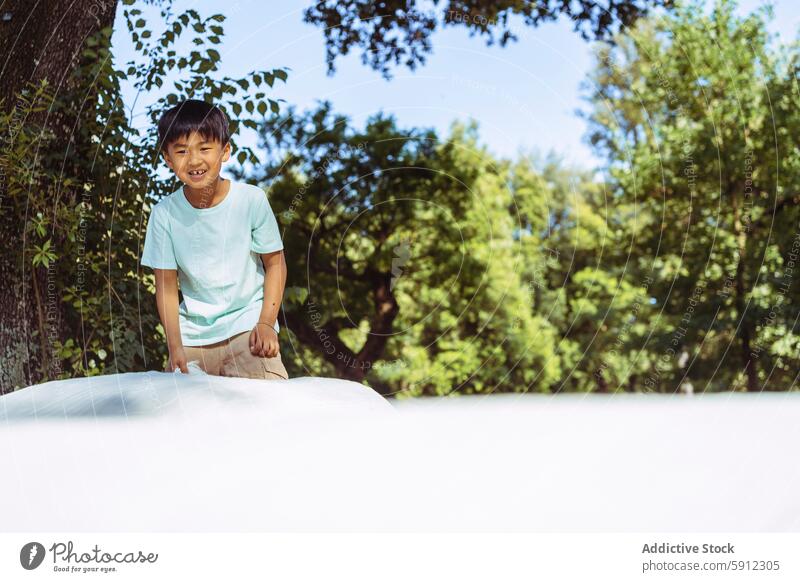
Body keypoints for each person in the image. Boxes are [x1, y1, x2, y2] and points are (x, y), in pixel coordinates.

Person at [141, 99, 289, 380]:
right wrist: (175, 348)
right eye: (182, 151)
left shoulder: (251, 200)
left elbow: (276, 265)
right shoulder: (164, 215)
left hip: (247, 329)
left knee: (271, 409)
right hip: (193, 338)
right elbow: (166, 287)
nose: (194, 160)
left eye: (205, 148)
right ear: (168, 159)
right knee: (179, 414)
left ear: (225, 151)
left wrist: (267, 323)